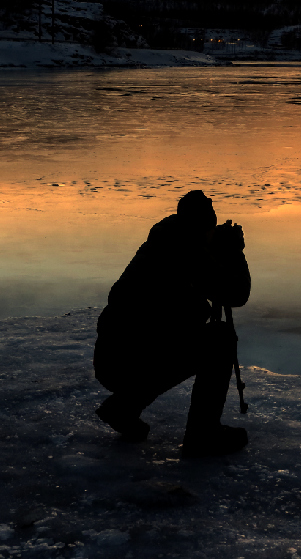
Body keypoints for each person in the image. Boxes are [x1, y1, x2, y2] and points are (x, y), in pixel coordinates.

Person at [93, 189, 251, 457]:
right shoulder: (186, 250)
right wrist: (235, 252)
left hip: (113, 361)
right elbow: (236, 294)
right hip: (129, 363)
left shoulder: (163, 242)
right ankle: (203, 435)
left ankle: (123, 408)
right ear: (203, 228)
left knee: (180, 342)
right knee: (220, 340)